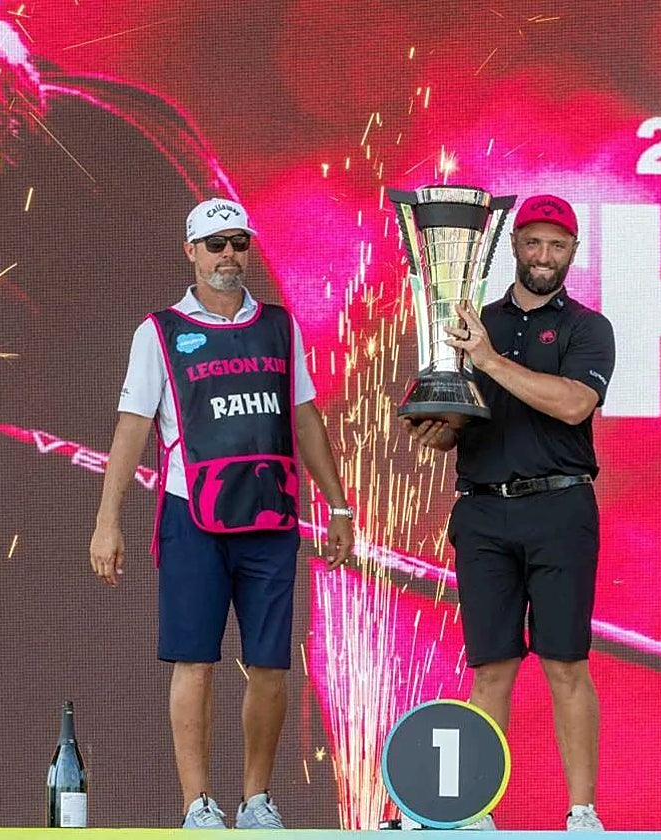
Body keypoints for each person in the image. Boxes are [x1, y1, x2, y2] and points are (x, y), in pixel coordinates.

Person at [90, 197, 355, 830]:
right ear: (191, 252)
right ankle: (197, 805)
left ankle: (257, 800)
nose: (228, 255)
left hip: (271, 516)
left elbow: (305, 418)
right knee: (195, 660)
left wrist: (339, 502)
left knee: (269, 664)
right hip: (192, 518)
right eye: (215, 244)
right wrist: (108, 518)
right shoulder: (158, 332)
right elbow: (132, 425)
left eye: (238, 242)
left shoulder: (279, 326)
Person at [404, 194, 614, 832]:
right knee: (491, 666)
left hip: (560, 506)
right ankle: (474, 811)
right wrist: (434, 421)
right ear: (514, 247)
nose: (544, 255)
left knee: (564, 662)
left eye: (557, 245)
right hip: (483, 512)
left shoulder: (587, 327)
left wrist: (491, 360)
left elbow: (576, 404)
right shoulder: (471, 321)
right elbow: (451, 432)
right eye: (533, 243)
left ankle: (581, 812)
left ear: (572, 253)